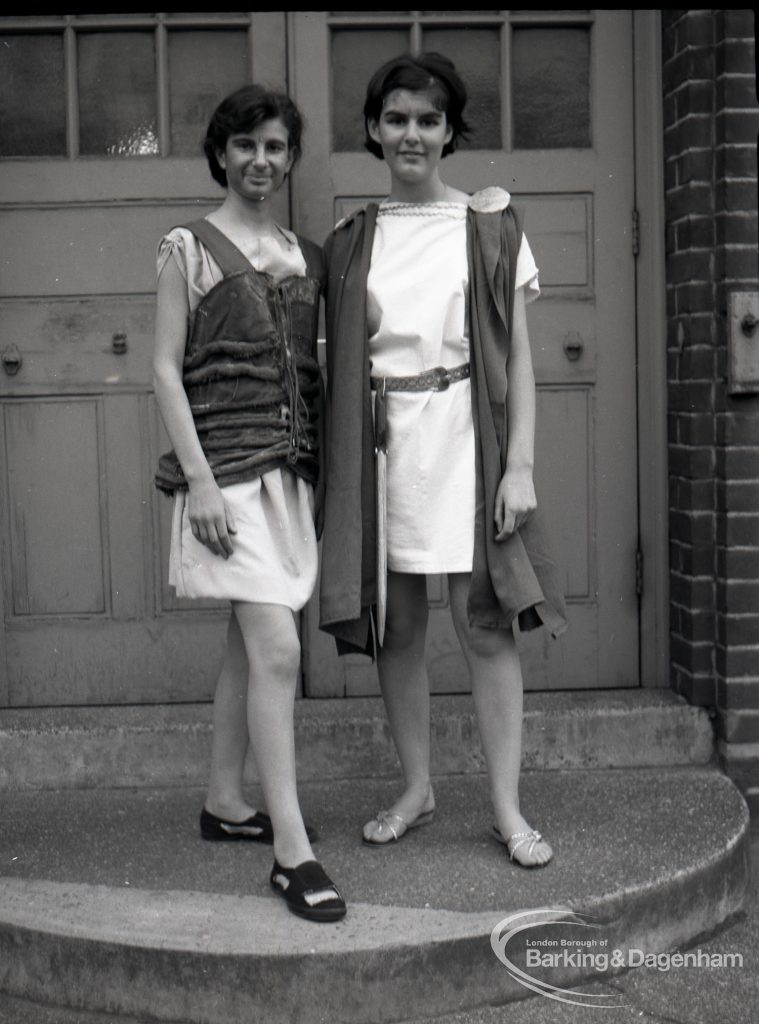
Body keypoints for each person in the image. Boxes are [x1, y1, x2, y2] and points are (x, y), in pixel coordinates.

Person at [319, 53, 567, 867]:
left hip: (467, 441)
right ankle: (417, 787)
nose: (411, 134)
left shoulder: (490, 226)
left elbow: (521, 360)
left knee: (486, 629)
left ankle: (506, 807)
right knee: (398, 630)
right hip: (388, 450)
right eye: (396, 118)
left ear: (450, 131)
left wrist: (519, 465)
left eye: (428, 120)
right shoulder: (353, 240)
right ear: (372, 129)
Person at [152, 84, 345, 921]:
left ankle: (225, 799)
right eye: (245, 145)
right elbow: (163, 367)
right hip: (224, 477)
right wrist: (196, 479)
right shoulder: (187, 247)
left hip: (288, 477)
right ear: (220, 153)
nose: (260, 160)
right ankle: (291, 850)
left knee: (249, 639)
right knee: (276, 651)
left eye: (274, 146)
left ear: (289, 157)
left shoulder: (306, 254)